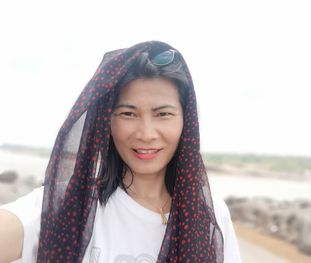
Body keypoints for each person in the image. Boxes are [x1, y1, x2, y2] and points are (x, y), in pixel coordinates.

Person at [0, 41, 241, 263]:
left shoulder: (211, 215)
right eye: (128, 114)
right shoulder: (68, 204)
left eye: (163, 114)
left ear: (186, 123)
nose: (146, 133)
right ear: (108, 122)